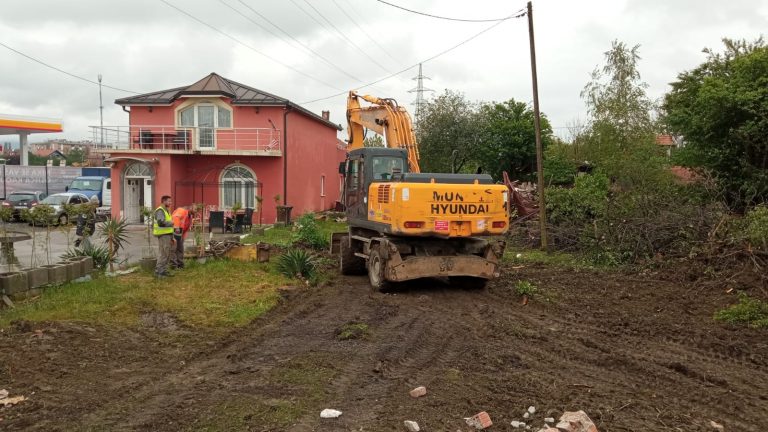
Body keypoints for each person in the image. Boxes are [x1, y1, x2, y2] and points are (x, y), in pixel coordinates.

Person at [153, 195, 175, 277]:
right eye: (169, 201)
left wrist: (172, 237)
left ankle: (164, 270)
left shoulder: (166, 210)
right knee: (163, 253)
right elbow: (160, 222)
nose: (170, 203)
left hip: (167, 235)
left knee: (167, 253)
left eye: (170, 201)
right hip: (163, 235)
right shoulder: (160, 210)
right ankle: (159, 272)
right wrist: (171, 223)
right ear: (164, 201)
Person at [171, 205, 194, 270]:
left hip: (181, 233)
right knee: (174, 249)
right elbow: (176, 217)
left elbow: (186, 227)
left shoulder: (190, 215)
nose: (196, 211)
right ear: (190, 208)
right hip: (175, 231)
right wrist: (177, 228)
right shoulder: (182, 211)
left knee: (180, 249)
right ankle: (174, 266)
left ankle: (180, 265)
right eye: (195, 209)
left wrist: (183, 237)